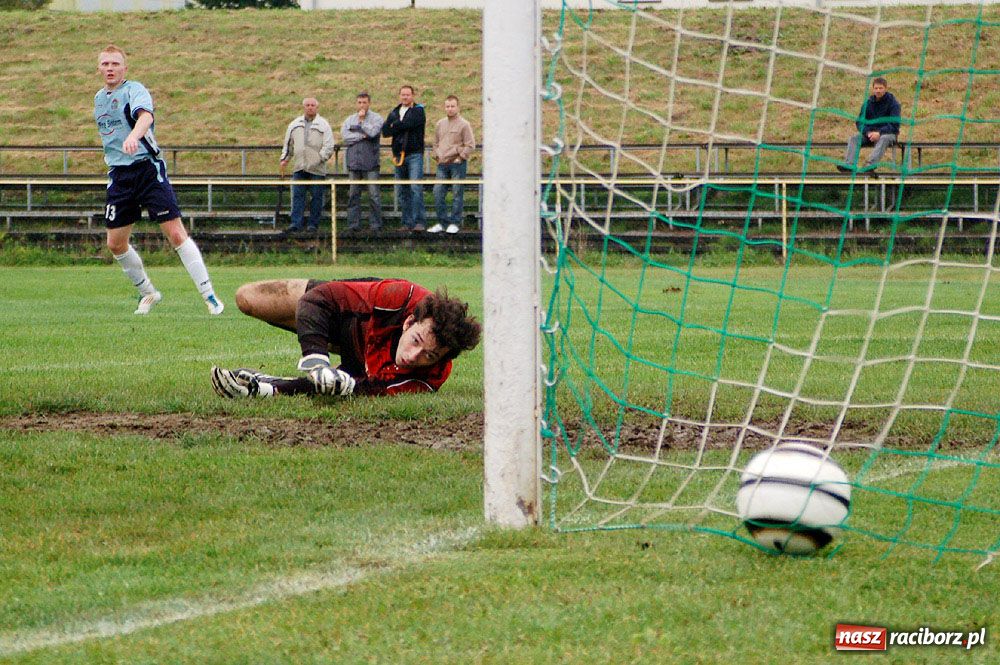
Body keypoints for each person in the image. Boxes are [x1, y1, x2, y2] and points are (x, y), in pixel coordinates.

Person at [94, 45, 223, 316]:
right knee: (115, 243)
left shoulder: (134, 89)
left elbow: (146, 117)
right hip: (119, 175)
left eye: (115, 64)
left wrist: (134, 136)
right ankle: (148, 293)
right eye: (105, 64)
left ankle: (209, 295)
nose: (110, 68)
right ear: (99, 68)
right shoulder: (99, 99)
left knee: (175, 233)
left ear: (124, 68)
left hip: (147, 170)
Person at [211, 277, 481, 398]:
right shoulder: (397, 297)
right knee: (247, 297)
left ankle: (264, 381)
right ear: (409, 321)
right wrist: (317, 363)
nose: (413, 357)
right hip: (348, 319)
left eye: (429, 356)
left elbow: (359, 390)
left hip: (365, 361)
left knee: (341, 385)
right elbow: (316, 301)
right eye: (416, 342)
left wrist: (268, 389)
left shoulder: (429, 377)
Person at [280, 97, 335, 235]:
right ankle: (295, 223)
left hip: (317, 168)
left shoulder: (324, 125)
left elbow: (329, 146)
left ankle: (313, 225)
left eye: (312, 105)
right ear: (304, 107)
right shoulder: (294, 124)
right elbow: (288, 144)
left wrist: (319, 159)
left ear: (317, 107)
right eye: (307, 105)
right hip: (299, 167)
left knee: (317, 197)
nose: (310, 107)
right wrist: (285, 159)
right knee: (298, 196)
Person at [381, 85, 427, 231]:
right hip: (398, 155)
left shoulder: (419, 110)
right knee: (402, 190)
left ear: (413, 95)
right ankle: (407, 222)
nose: (405, 97)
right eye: (403, 95)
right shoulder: (394, 111)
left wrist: (396, 125)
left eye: (408, 94)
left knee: (415, 187)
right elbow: (386, 131)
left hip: (414, 154)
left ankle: (419, 221)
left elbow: (411, 123)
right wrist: (397, 125)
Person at [429, 95, 476, 234]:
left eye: (452, 106)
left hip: (457, 164)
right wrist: (436, 155)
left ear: (458, 107)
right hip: (442, 164)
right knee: (438, 192)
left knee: (457, 193)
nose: (450, 109)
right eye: (447, 106)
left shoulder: (464, 124)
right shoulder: (440, 124)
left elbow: (470, 144)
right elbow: (435, 143)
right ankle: (442, 222)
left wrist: (461, 157)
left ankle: (455, 222)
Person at [837, 77, 901, 175]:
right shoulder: (868, 103)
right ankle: (849, 165)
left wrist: (879, 133)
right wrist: (868, 132)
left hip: (888, 134)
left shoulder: (894, 103)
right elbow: (860, 122)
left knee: (884, 138)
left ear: (885, 88)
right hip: (870, 134)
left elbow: (895, 125)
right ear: (873, 89)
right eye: (876, 88)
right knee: (854, 138)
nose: (878, 91)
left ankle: (870, 165)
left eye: (880, 88)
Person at [340, 92, 384, 232]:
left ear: (369, 103)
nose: (362, 105)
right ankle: (353, 225)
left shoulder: (377, 118)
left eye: (364, 102)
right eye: (359, 102)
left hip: (371, 164)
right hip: (354, 164)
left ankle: (376, 225)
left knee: (374, 196)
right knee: (353, 195)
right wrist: (362, 135)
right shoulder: (349, 119)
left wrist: (362, 123)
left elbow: (373, 133)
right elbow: (346, 137)